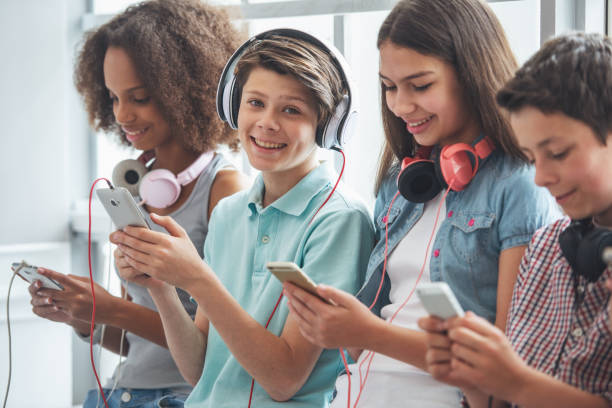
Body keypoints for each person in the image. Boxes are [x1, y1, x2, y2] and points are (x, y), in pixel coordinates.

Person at [282, 0, 559, 406]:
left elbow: (507, 369)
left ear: (472, 74)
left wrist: (366, 333)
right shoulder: (403, 179)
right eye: (390, 87)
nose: (400, 106)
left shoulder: (518, 183)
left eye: (421, 85)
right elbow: (378, 314)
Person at [110, 29, 375, 407]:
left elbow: (284, 379)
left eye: (291, 109)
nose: (266, 122)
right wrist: (161, 285)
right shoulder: (229, 213)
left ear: (328, 123)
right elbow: (199, 368)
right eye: (255, 103)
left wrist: (197, 278)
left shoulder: (340, 221)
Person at [26, 1, 247, 406]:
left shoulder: (225, 190)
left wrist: (109, 308)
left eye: (139, 97)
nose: (122, 114)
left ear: (184, 89)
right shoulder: (134, 185)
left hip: (181, 397)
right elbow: (137, 343)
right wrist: (83, 317)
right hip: (119, 394)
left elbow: (217, 347)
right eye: (112, 98)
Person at [419, 32, 612, 408]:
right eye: (530, 156)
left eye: (557, 152)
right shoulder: (545, 248)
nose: (540, 177)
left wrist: (515, 381)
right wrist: (476, 383)